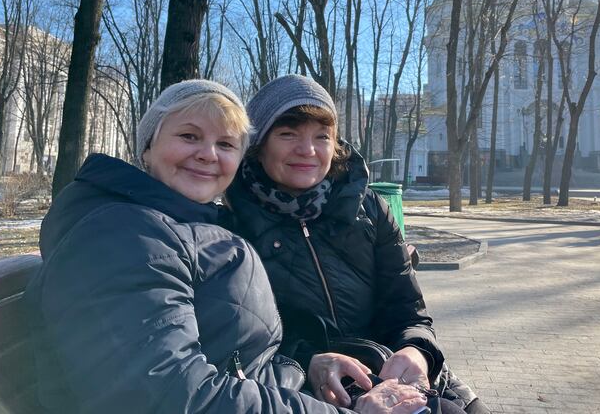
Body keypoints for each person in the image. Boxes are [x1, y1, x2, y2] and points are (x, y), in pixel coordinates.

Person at [24, 79, 428, 414]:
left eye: (226, 144)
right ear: (147, 146)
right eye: (188, 136)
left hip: (313, 383)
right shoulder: (125, 234)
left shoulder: (190, 226)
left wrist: (315, 364)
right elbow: (167, 392)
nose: (207, 154)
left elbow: (233, 355)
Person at [223, 75, 487, 413]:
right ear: (259, 144)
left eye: (323, 136)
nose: (308, 150)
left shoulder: (370, 209)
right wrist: (308, 363)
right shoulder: (230, 228)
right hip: (302, 390)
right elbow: (239, 346)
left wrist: (417, 350)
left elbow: (408, 310)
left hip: (397, 374)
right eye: (288, 134)